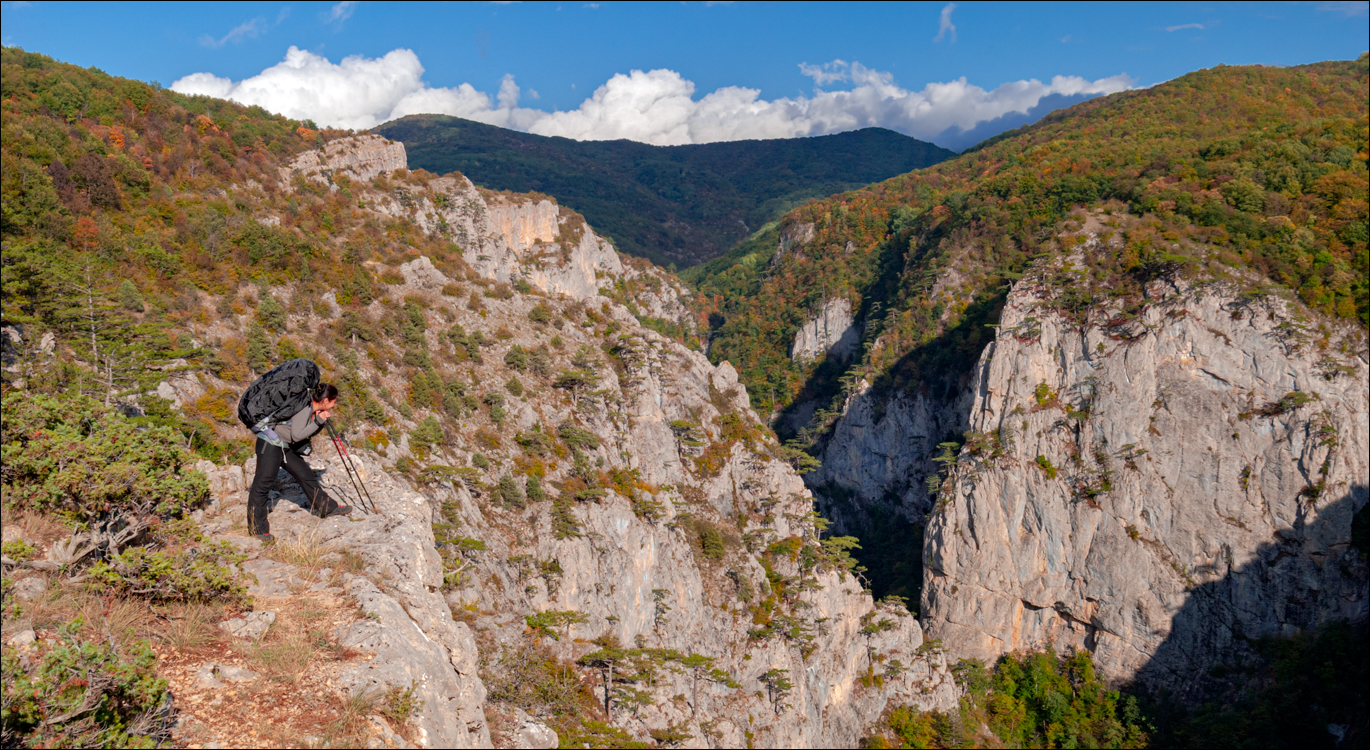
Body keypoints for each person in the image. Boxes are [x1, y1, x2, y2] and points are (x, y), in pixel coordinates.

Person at [247, 382, 352, 542]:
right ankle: (258, 529)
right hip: (270, 444)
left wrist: (319, 421)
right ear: (325, 401)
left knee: (304, 473)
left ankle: (327, 508)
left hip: (283, 445)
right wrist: (318, 421)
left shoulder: (310, 408)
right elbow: (297, 435)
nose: (334, 405)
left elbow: (305, 433)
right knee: (263, 484)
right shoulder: (304, 407)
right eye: (333, 402)